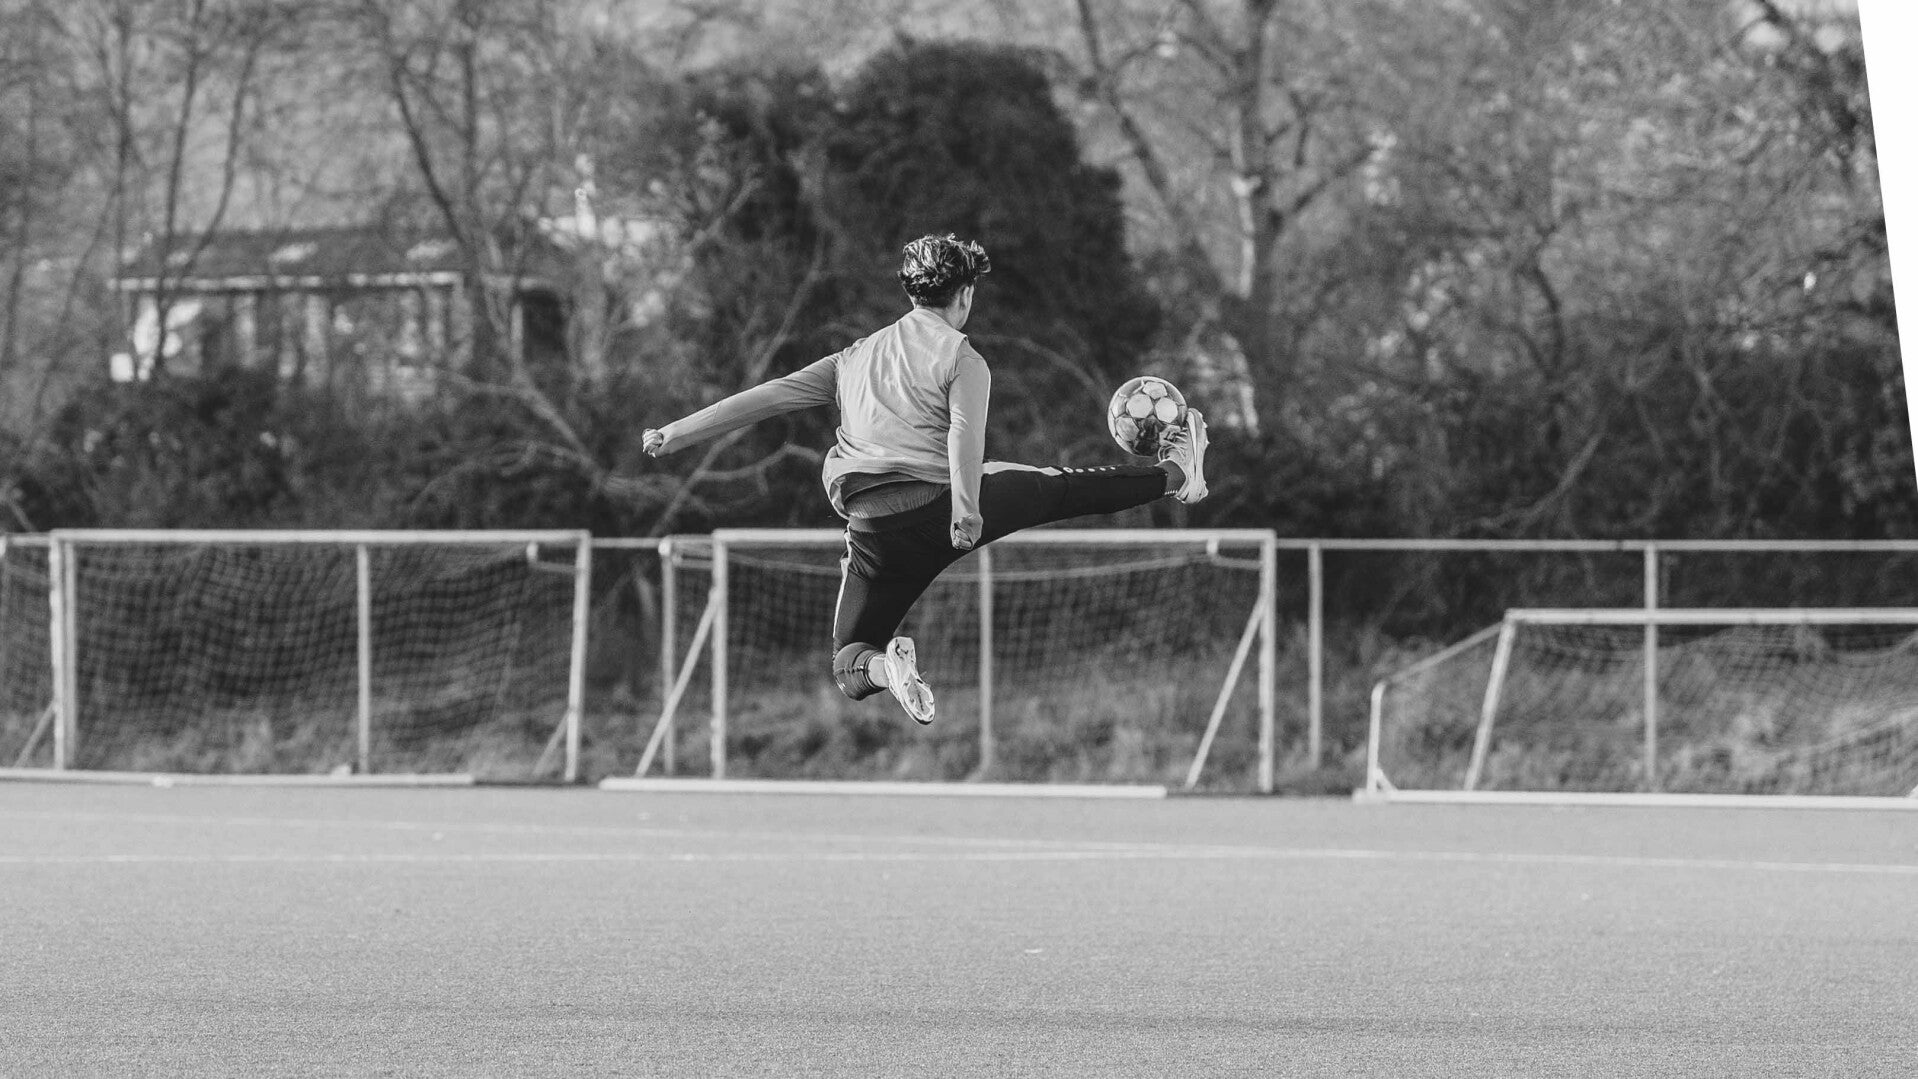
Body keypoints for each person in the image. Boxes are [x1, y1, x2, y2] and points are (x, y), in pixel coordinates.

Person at [642, 233, 1208, 724]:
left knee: (848, 661)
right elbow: (964, 434)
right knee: (1060, 488)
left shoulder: (852, 357)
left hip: (873, 532)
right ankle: (1175, 474)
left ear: (912, 294)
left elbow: (769, 397)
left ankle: (887, 669)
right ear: (965, 296)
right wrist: (966, 510)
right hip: (943, 511)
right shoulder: (963, 358)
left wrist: (677, 432)